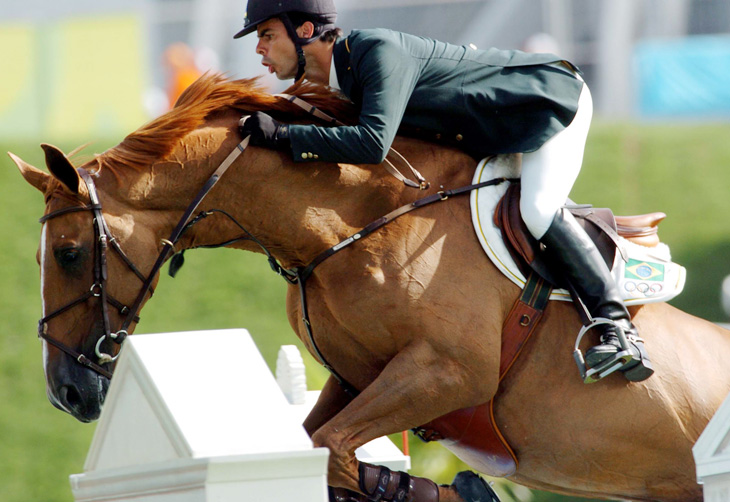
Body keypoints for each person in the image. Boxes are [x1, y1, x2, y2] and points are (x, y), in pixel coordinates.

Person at [233, 0, 653, 383]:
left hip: (547, 104)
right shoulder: (342, 80)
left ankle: (618, 329)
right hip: (494, 132)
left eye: (266, 35)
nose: (259, 49)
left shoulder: (374, 52)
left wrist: (285, 136)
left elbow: (372, 144)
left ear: (305, 30)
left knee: (539, 210)